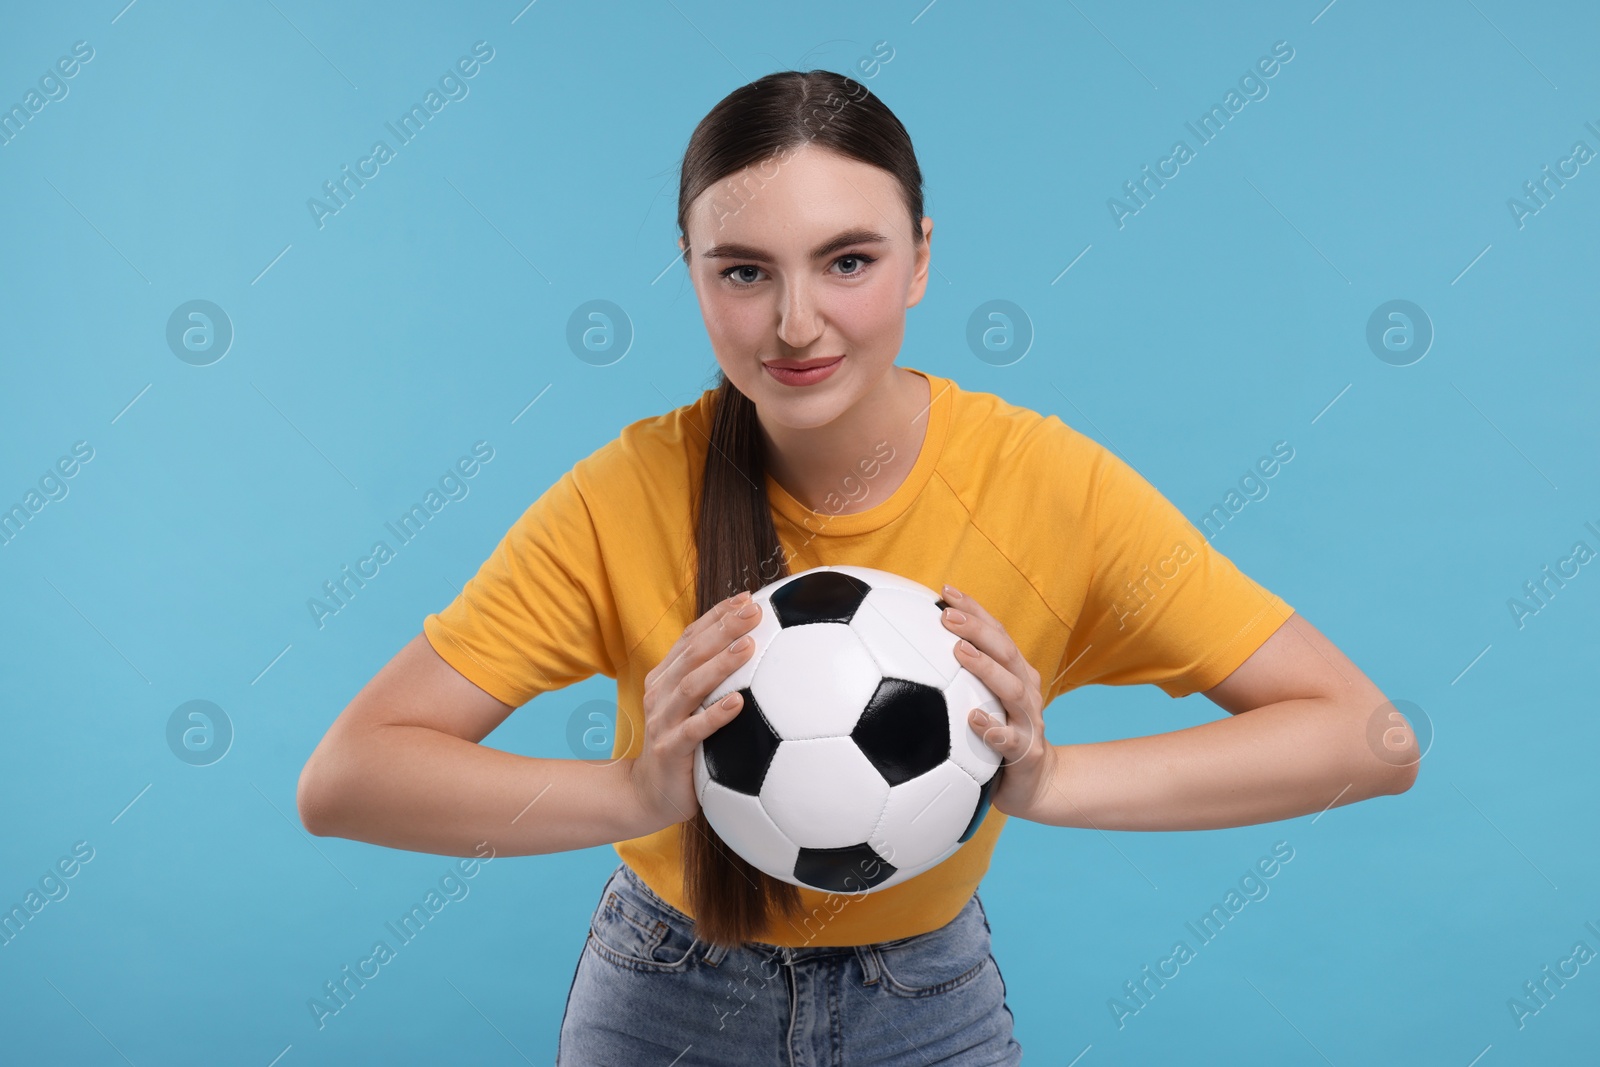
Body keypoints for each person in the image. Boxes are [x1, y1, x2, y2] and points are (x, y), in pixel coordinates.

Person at [295, 69, 1419, 1065]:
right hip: (662, 999)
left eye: (848, 260)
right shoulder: (622, 495)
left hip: (926, 1000)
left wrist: (1047, 780)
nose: (795, 322)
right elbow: (346, 777)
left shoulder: (1048, 485)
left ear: (922, 258)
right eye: (742, 271)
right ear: (689, 274)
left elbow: (1368, 736)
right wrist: (630, 792)